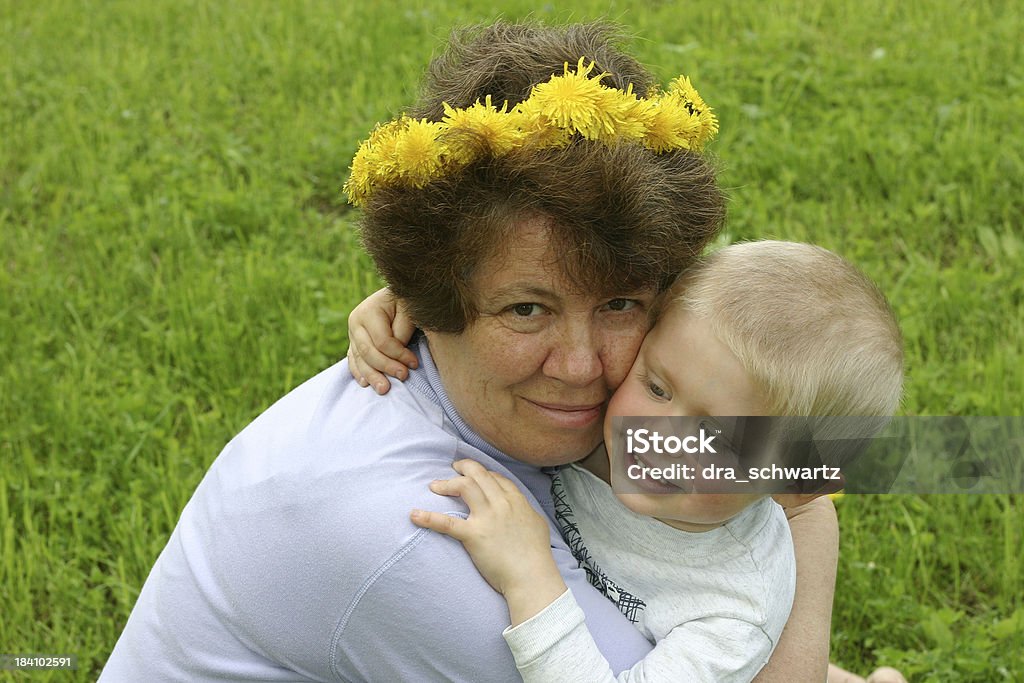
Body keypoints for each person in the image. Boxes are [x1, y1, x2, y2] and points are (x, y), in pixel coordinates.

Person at [102, 21, 839, 681]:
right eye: (527, 309)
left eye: (618, 303)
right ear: (427, 300)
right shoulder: (426, 531)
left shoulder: (486, 392)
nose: (582, 367)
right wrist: (801, 522)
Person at [352, 241, 906, 682]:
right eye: (659, 386)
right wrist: (404, 309)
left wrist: (531, 578)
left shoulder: (732, 611)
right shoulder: (606, 420)